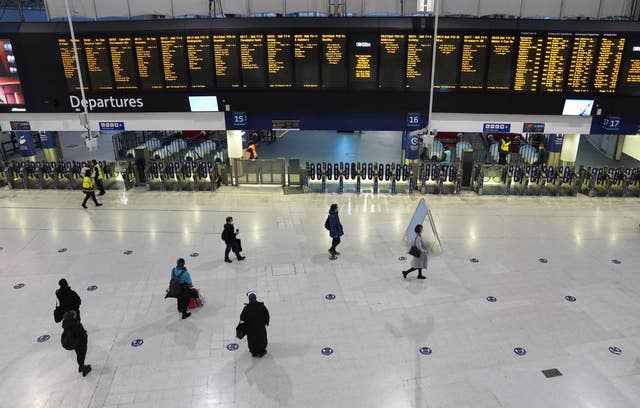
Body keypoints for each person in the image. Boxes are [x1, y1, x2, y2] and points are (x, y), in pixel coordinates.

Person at [61, 311, 92, 377]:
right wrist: (85, 338)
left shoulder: (65, 323)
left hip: (73, 343)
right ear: (73, 317)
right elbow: (82, 334)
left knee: (78, 353)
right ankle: (83, 368)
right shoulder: (76, 324)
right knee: (82, 354)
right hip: (79, 342)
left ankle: (81, 366)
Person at [240, 293, 270, 357]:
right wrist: (266, 322)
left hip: (250, 329)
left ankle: (254, 352)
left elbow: (242, 317)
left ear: (249, 299)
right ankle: (261, 352)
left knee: (252, 340)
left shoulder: (246, 308)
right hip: (260, 328)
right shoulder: (261, 306)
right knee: (261, 339)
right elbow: (266, 315)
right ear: (255, 298)